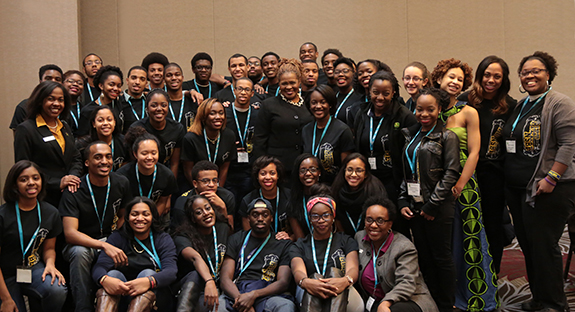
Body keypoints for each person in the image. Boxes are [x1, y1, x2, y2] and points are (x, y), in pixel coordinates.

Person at [502, 51, 575, 312]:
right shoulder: (522, 104)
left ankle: (556, 304)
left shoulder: (559, 102)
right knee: (531, 248)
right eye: (525, 72)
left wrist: (552, 177)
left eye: (537, 71)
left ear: (549, 74)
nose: (530, 75)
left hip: (549, 189)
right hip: (520, 190)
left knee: (545, 248)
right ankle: (539, 298)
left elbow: (569, 144)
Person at [431, 58, 497, 311]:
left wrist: (459, 185)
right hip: (436, 184)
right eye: (450, 77)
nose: (455, 82)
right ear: (438, 79)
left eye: (460, 79)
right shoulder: (430, 110)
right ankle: (444, 294)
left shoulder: (468, 112)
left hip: (464, 185)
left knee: (466, 240)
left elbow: (474, 153)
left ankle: (473, 296)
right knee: (443, 242)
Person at [397, 87, 460, 312]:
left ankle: (446, 304)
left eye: (430, 109)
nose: (424, 114)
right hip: (415, 206)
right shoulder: (410, 135)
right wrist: (403, 201)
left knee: (441, 256)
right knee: (423, 255)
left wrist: (432, 204)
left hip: (439, 207)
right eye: (419, 109)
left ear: (440, 109)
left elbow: (451, 173)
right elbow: (407, 172)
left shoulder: (447, 136)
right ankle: (431, 301)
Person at [459, 55, 516, 274]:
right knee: (468, 226)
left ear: (504, 79)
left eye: (497, 76)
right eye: (487, 75)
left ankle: (492, 274)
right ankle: (470, 276)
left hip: (494, 175)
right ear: (480, 75)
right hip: (466, 174)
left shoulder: (509, 106)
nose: (491, 80)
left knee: (492, 226)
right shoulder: (465, 101)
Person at [59, 142, 132, 312]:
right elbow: (70, 233)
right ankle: (82, 308)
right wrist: (104, 245)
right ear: (87, 163)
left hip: (111, 238)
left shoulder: (121, 182)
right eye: (97, 157)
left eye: (108, 156)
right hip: (82, 243)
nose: (104, 161)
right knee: (80, 253)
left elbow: (124, 215)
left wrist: (115, 238)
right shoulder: (75, 189)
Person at [0, 161, 67, 312]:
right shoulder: (3, 215)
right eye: (23, 180)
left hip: (32, 269)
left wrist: (50, 264)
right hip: (5, 276)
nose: (31, 183)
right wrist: (5, 299)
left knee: (57, 290)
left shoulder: (50, 213)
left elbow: (49, 248)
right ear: (14, 185)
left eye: (35, 178)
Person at [92, 197, 177, 312]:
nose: (140, 218)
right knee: (112, 274)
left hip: (154, 298)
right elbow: (100, 266)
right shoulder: (118, 237)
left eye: (146, 214)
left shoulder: (162, 238)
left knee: (147, 273)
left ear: (153, 217)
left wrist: (149, 281)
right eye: (134, 214)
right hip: (122, 295)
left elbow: (171, 271)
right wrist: (104, 279)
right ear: (127, 217)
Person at [355, 196, 438, 312]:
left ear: (390, 224)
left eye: (380, 221)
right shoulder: (359, 238)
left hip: (409, 300)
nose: (373, 225)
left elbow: (406, 283)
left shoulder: (404, 247)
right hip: (374, 301)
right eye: (369, 220)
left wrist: (386, 303)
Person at [219, 198, 296, 312]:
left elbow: (283, 282)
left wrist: (254, 295)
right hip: (237, 291)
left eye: (265, 215)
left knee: (285, 306)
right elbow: (225, 278)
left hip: (267, 293)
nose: (260, 219)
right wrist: (242, 300)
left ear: (271, 218)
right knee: (218, 307)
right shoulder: (236, 239)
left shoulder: (283, 244)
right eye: (255, 215)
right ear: (248, 218)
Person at [353, 71, 417, 208]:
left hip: (393, 180)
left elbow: (411, 155)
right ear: (369, 91)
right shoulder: (362, 113)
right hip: (367, 179)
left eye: (386, 93)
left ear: (393, 93)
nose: (380, 97)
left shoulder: (405, 116)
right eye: (375, 92)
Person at [14, 80, 83, 206]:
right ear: (40, 101)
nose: (56, 104)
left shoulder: (65, 127)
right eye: (51, 99)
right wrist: (58, 182)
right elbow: (23, 168)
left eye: (61, 100)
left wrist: (72, 178)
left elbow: (75, 157)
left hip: (69, 194)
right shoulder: (26, 129)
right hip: (42, 196)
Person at [290, 195, 363, 312]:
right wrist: (308, 282)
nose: (321, 220)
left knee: (335, 273)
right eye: (315, 216)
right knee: (314, 277)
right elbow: (298, 271)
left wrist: (344, 281)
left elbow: (353, 269)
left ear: (333, 216)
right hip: (308, 291)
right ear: (310, 218)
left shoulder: (346, 241)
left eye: (326, 215)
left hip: (342, 289)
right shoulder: (300, 245)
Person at [253, 58, 314, 175]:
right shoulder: (269, 105)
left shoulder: (309, 102)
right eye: (284, 83)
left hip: (304, 165)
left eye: (292, 83)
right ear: (279, 83)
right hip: (278, 167)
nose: (289, 87)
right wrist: (262, 167)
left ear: (299, 81)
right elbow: (260, 139)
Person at [173, 195, 230, 312]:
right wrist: (209, 281)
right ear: (193, 218)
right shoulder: (182, 236)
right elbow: (195, 258)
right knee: (195, 274)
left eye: (208, 208)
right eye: (199, 212)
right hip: (195, 289)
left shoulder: (223, 228)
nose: (206, 213)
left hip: (221, 287)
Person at [116, 132, 178, 222]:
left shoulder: (167, 175)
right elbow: (121, 208)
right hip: (128, 217)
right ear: (135, 154)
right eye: (144, 153)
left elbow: (162, 202)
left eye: (154, 153)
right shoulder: (122, 175)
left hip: (153, 217)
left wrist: (149, 222)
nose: (149, 157)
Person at [302, 85, 354, 184]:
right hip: (310, 184)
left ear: (330, 104)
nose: (318, 106)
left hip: (333, 185)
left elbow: (345, 166)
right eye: (314, 103)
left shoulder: (342, 130)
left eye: (323, 102)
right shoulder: (306, 129)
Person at [131, 89, 186, 178]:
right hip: (142, 174)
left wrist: (171, 184)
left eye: (163, 105)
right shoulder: (137, 128)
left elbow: (174, 163)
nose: (159, 109)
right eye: (154, 105)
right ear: (147, 108)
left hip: (166, 174)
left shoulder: (177, 128)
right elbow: (134, 161)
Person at [182, 98, 237, 187]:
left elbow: (224, 167)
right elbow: (188, 170)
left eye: (221, 113)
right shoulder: (190, 138)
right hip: (196, 187)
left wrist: (217, 189)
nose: (218, 117)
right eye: (212, 113)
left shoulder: (229, 135)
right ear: (203, 117)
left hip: (217, 185)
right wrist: (200, 189)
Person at [224, 78, 260, 210]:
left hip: (250, 169)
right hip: (229, 169)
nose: (243, 92)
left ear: (252, 93)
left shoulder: (259, 113)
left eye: (247, 90)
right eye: (240, 89)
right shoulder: (223, 112)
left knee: (247, 208)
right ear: (234, 91)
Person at [331, 153, 388, 236]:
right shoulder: (337, 188)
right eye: (350, 170)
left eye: (359, 170)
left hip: (370, 237)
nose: (353, 174)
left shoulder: (375, 190)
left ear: (366, 174)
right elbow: (337, 219)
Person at [172, 160, 236, 230]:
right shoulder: (182, 202)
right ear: (195, 184)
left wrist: (223, 209)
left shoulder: (227, 196)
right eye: (205, 181)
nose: (211, 185)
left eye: (214, 180)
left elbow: (230, 232)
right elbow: (180, 233)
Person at [238, 156, 291, 239]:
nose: (268, 177)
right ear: (257, 176)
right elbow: (248, 234)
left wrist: (290, 237)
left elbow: (298, 234)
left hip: (284, 243)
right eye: (263, 174)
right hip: (259, 244)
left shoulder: (289, 196)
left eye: (272, 173)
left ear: (278, 175)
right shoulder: (248, 200)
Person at [10, 64, 64, 132]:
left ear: (62, 84)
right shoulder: (24, 107)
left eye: (57, 79)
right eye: (48, 78)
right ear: (40, 81)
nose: (53, 81)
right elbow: (19, 139)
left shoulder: (63, 106)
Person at [76, 105, 127, 172]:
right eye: (100, 120)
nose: (105, 123)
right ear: (94, 124)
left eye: (109, 120)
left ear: (114, 122)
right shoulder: (82, 145)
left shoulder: (124, 142)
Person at [77, 65, 124, 136]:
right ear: (101, 86)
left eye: (119, 86)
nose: (115, 89)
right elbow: (82, 138)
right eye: (111, 85)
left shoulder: (119, 104)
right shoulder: (88, 110)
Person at [288, 154, 322, 239]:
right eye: (303, 170)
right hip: (305, 247)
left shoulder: (329, 196)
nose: (308, 174)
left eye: (313, 169)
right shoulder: (294, 202)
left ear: (319, 172)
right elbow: (300, 238)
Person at [165, 62, 199, 131]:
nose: (174, 78)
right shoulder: (161, 103)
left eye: (177, 75)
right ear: (163, 80)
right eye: (169, 75)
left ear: (182, 78)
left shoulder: (193, 100)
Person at [333, 57, 361, 125]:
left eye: (345, 71)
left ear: (353, 74)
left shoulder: (359, 99)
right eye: (337, 72)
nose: (340, 74)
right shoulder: (332, 97)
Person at [121, 66, 148, 131]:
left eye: (142, 79)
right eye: (133, 78)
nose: (137, 82)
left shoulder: (149, 101)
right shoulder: (118, 101)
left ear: (146, 83)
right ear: (127, 81)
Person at [62, 70, 86, 135]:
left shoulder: (85, 109)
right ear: (62, 83)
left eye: (80, 83)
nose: (75, 84)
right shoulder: (59, 107)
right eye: (71, 81)